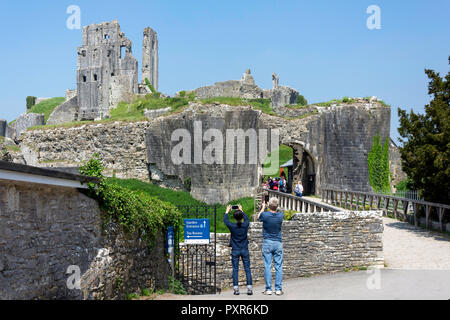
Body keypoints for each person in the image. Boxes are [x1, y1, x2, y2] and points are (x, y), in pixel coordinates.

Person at [257, 198, 284, 296]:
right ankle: (278, 289)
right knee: (278, 266)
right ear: (277, 206)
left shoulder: (265, 215)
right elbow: (278, 210)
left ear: (269, 205)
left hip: (267, 242)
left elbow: (258, 217)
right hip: (278, 242)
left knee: (267, 266)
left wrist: (263, 207)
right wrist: (273, 206)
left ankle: (268, 289)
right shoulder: (280, 216)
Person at [224, 205, 253, 296]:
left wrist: (227, 212)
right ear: (241, 217)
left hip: (235, 249)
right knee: (247, 269)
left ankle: (236, 289)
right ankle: (249, 289)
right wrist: (242, 210)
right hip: (244, 249)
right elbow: (247, 220)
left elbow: (226, 221)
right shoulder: (245, 225)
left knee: (235, 269)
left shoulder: (232, 226)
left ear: (234, 218)